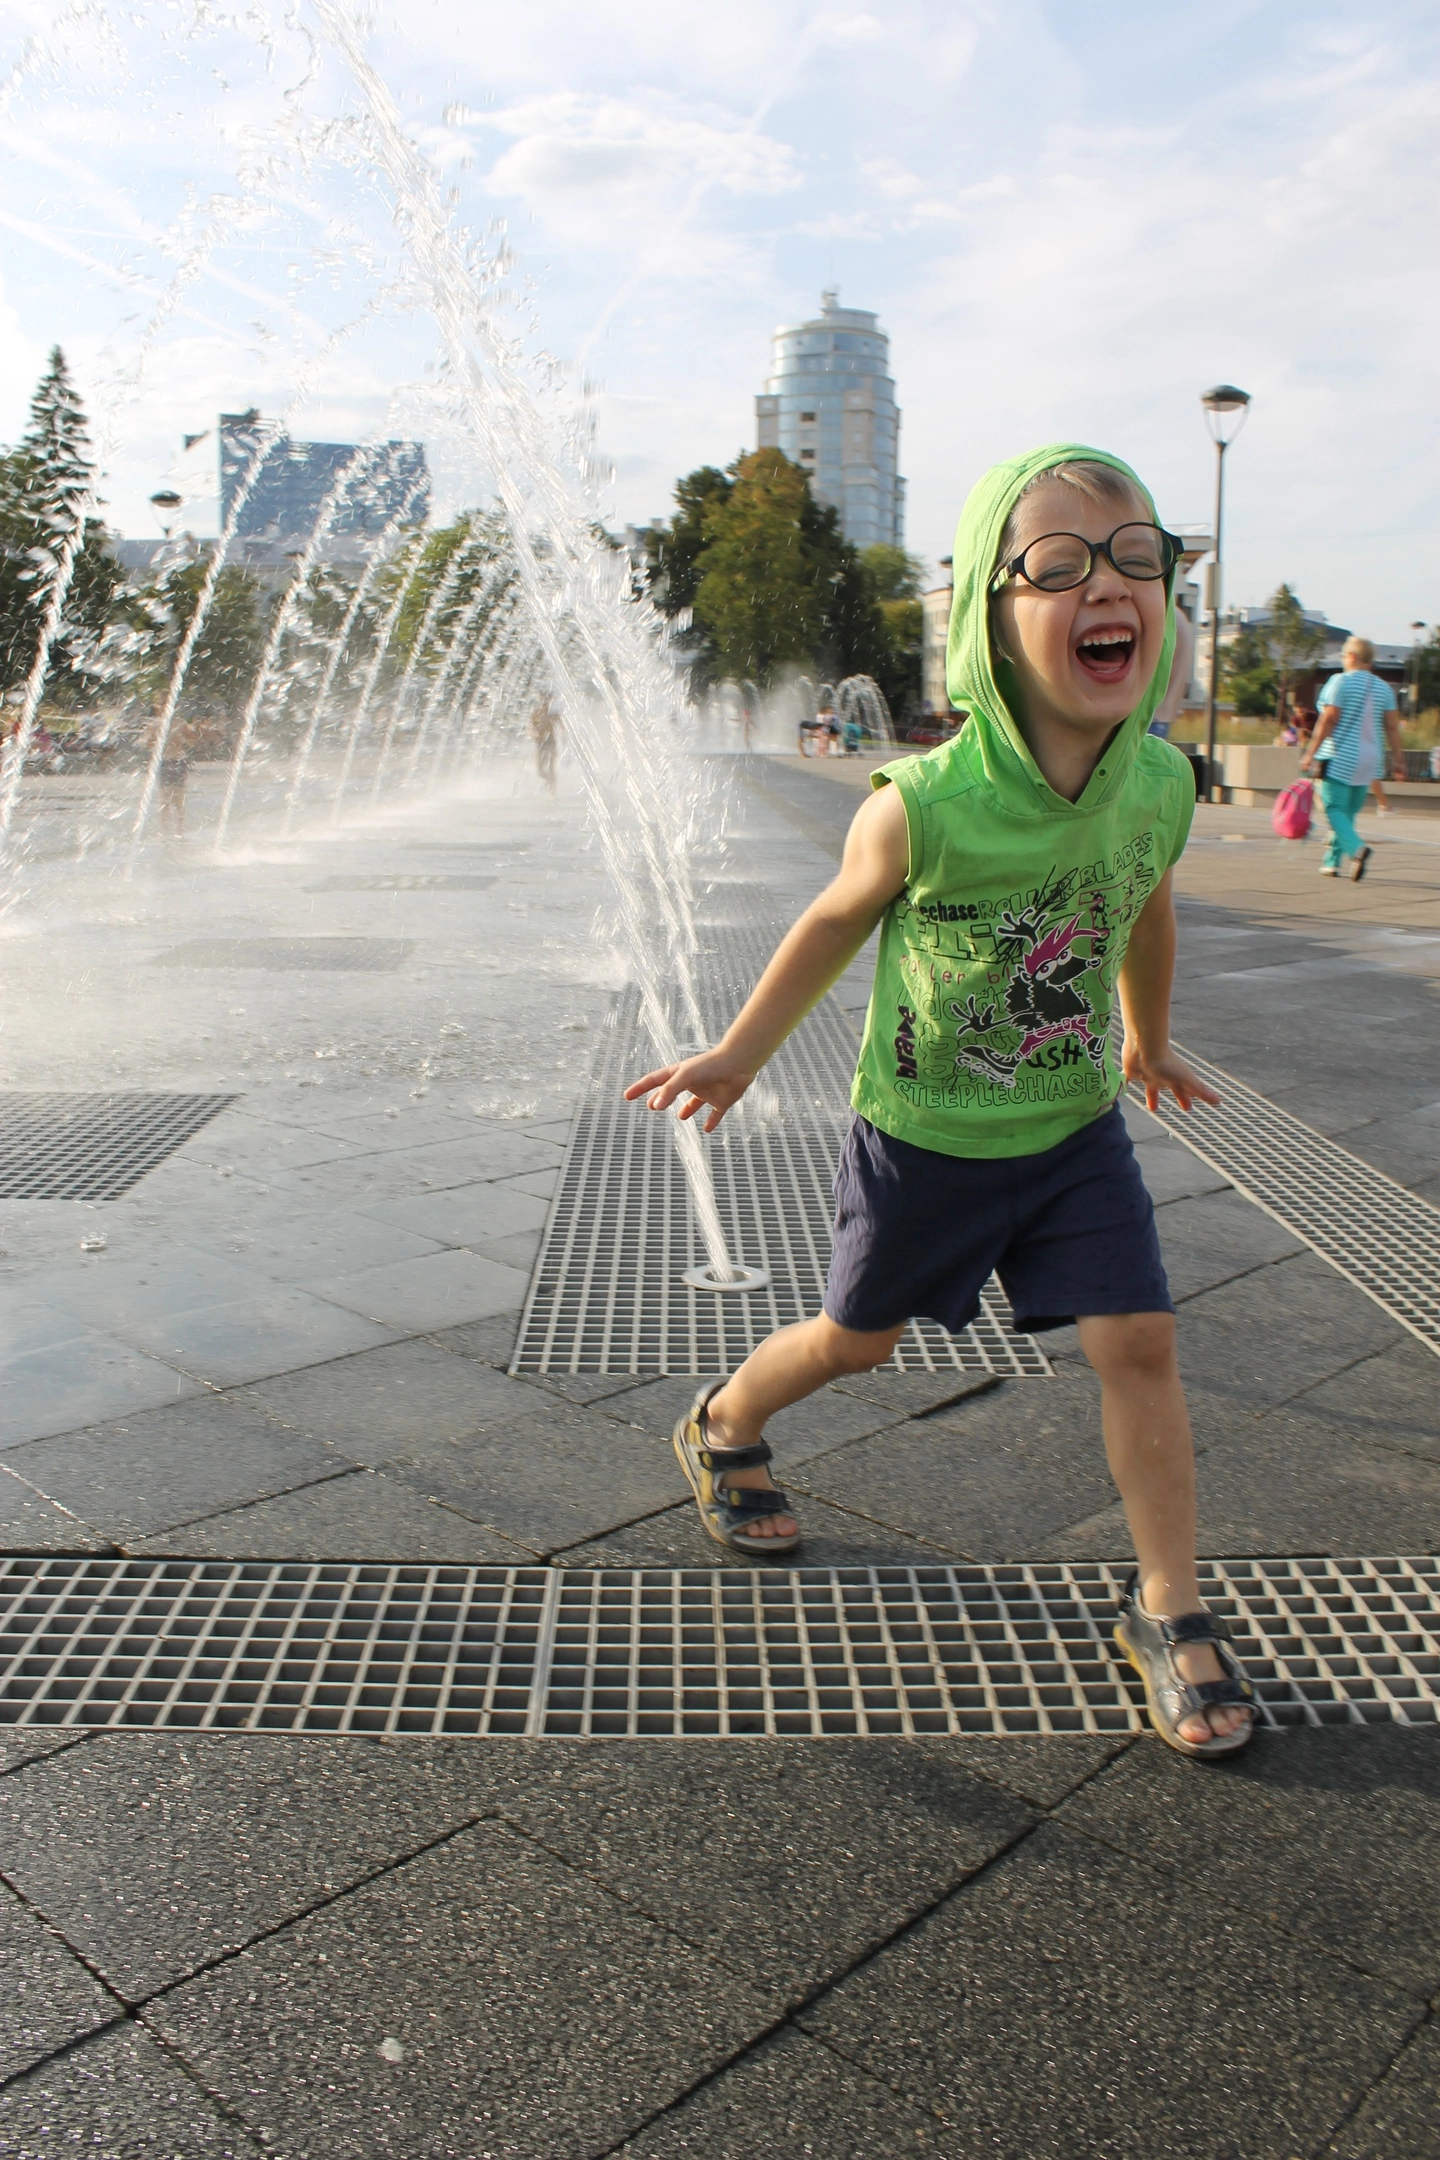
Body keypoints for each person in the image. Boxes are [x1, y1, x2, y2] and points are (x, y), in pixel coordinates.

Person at [627, 444, 1255, 1760]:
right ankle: (726, 1422)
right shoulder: (925, 804)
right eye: (1063, 566)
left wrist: (1150, 1033)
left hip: (1076, 1128)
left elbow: (1146, 899)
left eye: (1140, 559)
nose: (1112, 584)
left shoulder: (1157, 784)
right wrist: (739, 1053)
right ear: (988, 617)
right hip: (925, 1142)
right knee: (861, 1343)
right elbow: (830, 922)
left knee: (1138, 1340)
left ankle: (1169, 1608)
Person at [1302, 636, 1401, 878]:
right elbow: (1392, 727)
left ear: (1353, 657)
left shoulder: (1339, 682)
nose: (1344, 660)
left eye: (1344, 656)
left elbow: (1327, 720)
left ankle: (1357, 850)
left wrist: (1310, 753)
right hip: (1370, 759)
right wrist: (1399, 759)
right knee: (1347, 813)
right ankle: (1331, 861)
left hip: (1341, 756)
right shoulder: (1384, 688)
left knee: (1334, 809)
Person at [529, 698, 560, 793]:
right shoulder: (536, 713)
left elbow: (563, 726)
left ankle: (553, 792)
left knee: (551, 768)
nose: (545, 702)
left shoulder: (553, 714)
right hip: (540, 743)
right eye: (543, 699)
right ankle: (550, 781)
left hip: (551, 743)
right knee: (540, 770)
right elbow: (530, 727)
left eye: (547, 700)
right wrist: (534, 734)